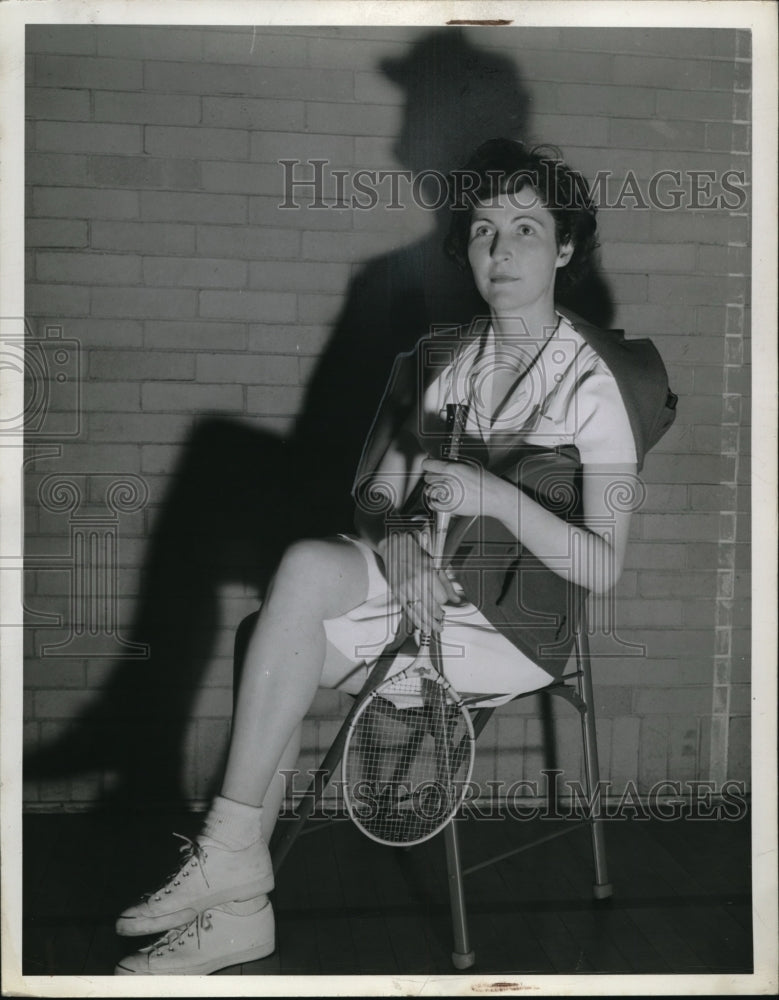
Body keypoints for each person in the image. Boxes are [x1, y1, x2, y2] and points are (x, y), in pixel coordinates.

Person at [114, 138, 675, 975]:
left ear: (563, 248)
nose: (500, 249)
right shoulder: (444, 359)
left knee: (271, 631)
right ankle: (235, 882)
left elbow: (602, 567)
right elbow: (375, 496)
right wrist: (402, 546)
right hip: (431, 588)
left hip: (518, 624)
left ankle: (233, 875)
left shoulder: (598, 384)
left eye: (525, 228)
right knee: (304, 569)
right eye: (483, 230)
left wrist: (496, 498)